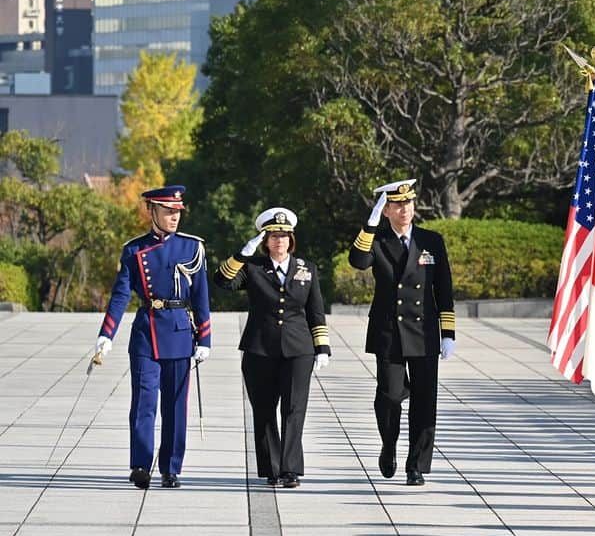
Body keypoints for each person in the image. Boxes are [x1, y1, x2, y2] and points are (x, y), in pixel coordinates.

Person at [95, 185, 211, 489]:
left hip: (178, 332)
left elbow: (200, 297)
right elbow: (120, 296)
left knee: (175, 406)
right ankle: (140, 465)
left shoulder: (192, 248)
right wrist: (106, 335)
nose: (174, 217)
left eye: (177, 212)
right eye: (168, 212)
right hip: (146, 333)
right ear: (152, 211)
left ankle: (171, 468)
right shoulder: (133, 250)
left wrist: (205, 339)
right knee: (144, 403)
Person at [348, 179, 456, 486]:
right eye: (397, 205)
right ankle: (389, 444)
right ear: (386, 211)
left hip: (423, 332)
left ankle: (416, 465)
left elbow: (443, 287)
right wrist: (369, 225)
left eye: (408, 204)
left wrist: (447, 332)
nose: (404, 210)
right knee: (390, 396)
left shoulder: (431, 240)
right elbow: (358, 261)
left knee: (424, 400)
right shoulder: (378, 240)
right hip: (389, 332)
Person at [214, 207, 330, 488]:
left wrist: (322, 346)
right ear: (265, 241)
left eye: (284, 235)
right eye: (273, 236)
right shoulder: (253, 269)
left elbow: (316, 310)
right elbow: (222, 281)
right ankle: (271, 467)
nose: (280, 240)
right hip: (260, 349)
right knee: (264, 411)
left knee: (294, 409)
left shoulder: (306, 269)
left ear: (291, 239)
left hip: (297, 349)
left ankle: (290, 469)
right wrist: (243, 253)